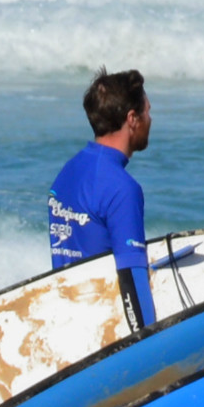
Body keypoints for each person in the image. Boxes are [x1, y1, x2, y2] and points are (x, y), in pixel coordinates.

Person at [48, 69, 157, 334]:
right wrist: (149, 344)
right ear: (132, 119)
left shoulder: (67, 173)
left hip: (67, 323)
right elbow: (132, 280)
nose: (150, 119)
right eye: (147, 111)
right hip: (103, 330)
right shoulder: (122, 188)